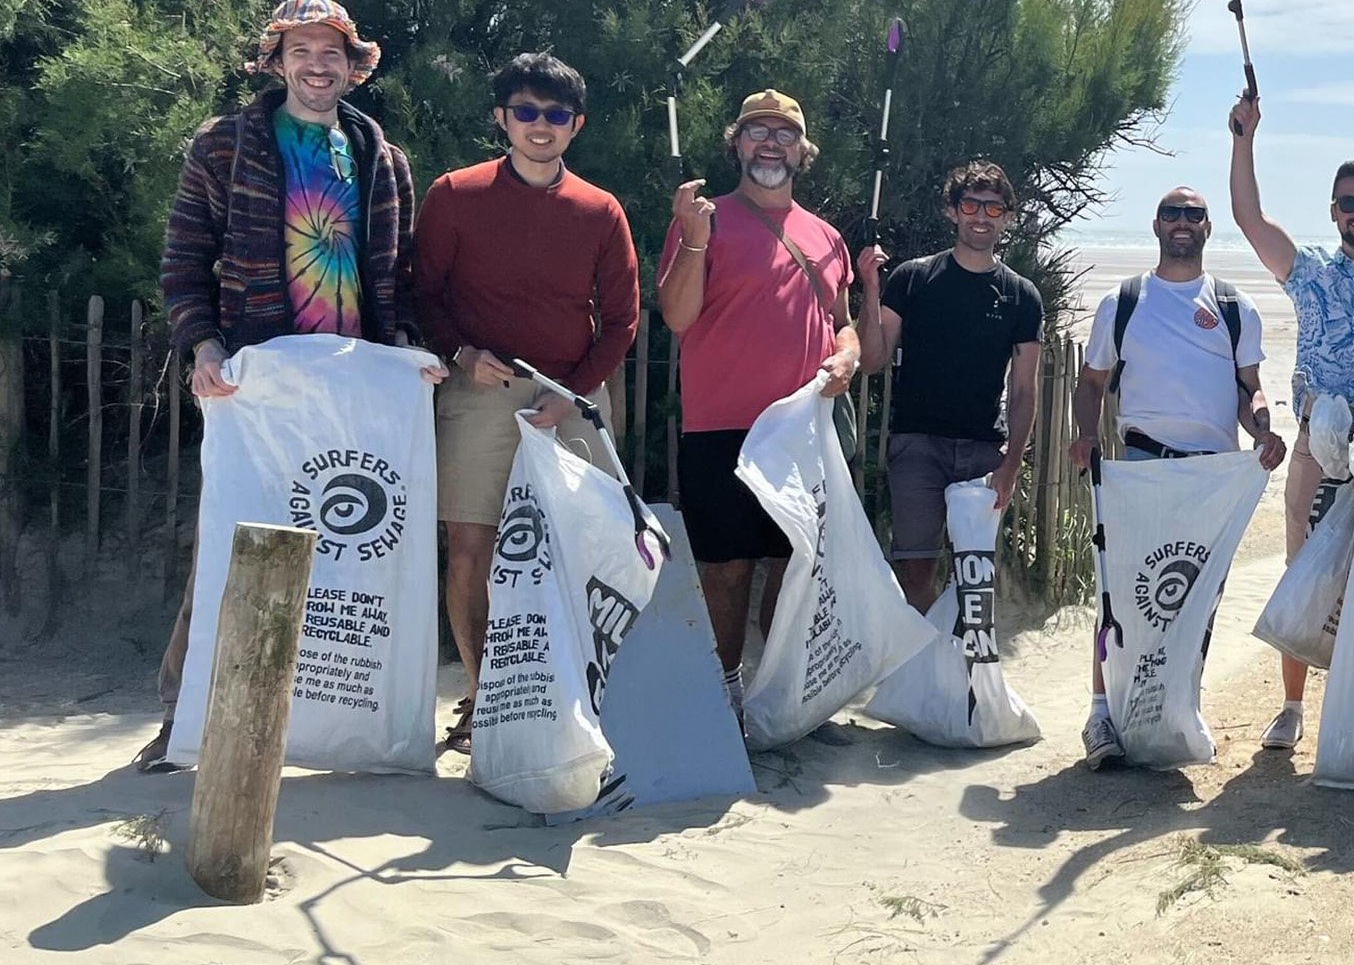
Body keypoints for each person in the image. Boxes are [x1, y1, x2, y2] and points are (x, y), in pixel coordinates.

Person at [137, 0, 430, 772]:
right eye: (300, 49)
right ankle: (182, 716)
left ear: (352, 68)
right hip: (257, 377)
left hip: (354, 382)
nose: (316, 63)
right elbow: (185, 256)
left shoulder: (382, 158)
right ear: (276, 61)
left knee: (343, 544)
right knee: (232, 541)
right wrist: (202, 345)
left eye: (331, 50)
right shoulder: (226, 145)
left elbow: (396, 274)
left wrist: (401, 350)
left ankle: (317, 724)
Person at [414, 52, 639, 751]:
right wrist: (460, 353)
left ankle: (571, 693)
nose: (540, 126)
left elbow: (625, 320)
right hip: (479, 393)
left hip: (570, 397)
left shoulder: (602, 211)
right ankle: (483, 699)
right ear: (501, 118)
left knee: (576, 551)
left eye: (555, 114)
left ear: (576, 125)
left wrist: (569, 398)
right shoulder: (453, 194)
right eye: (526, 111)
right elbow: (421, 294)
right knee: (471, 550)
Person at [1226, 93, 1354, 751]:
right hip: (1315, 448)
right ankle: (1290, 705)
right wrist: (1244, 139)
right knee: (1303, 572)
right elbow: (1250, 219)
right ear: (1334, 210)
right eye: (1349, 203)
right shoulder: (1308, 271)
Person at [655, 90, 861, 724]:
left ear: (803, 151)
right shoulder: (702, 218)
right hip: (721, 429)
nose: (770, 144)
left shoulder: (826, 238)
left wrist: (847, 356)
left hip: (801, 433)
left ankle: (778, 694)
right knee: (726, 571)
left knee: (794, 566)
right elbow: (678, 316)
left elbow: (844, 324)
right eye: (756, 132)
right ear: (736, 143)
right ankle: (723, 698)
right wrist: (692, 240)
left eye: (784, 134)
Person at [1067, 186, 1286, 768]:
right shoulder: (1126, 301)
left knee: (1196, 599)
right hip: (1141, 467)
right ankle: (1100, 715)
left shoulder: (1235, 305)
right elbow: (1091, 384)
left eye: (1193, 214)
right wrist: (1085, 434)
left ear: (1209, 227)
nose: (1182, 223)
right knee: (1123, 594)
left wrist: (1263, 426)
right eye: (1172, 213)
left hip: (1212, 475)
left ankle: (1176, 711)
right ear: (1156, 224)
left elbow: (1249, 387)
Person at [857, 161, 1044, 611]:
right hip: (917, 446)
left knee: (972, 575)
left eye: (993, 208)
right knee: (915, 568)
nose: (981, 216)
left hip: (983, 450)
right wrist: (868, 287)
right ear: (952, 211)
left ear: (1008, 217)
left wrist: (1011, 465)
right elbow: (871, 359)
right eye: (971, 205)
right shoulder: (914, 278)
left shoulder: (1021, 295)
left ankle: (964, 673)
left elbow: (1023, 392)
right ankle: (919, 671)